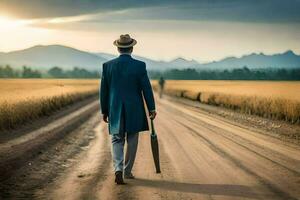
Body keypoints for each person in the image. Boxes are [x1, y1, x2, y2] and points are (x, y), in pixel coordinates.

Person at [100, 34, 157, 185]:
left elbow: (104, 91)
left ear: (118, 48)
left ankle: (117, 169)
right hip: (134, 108)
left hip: (115, 108)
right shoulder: (140, 66)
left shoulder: (107, 66)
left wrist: (104, 110)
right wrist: (151, 108)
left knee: (117, 139)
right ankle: (127, 171)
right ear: (131, 48)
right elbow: (146, 88)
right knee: (132, 139)